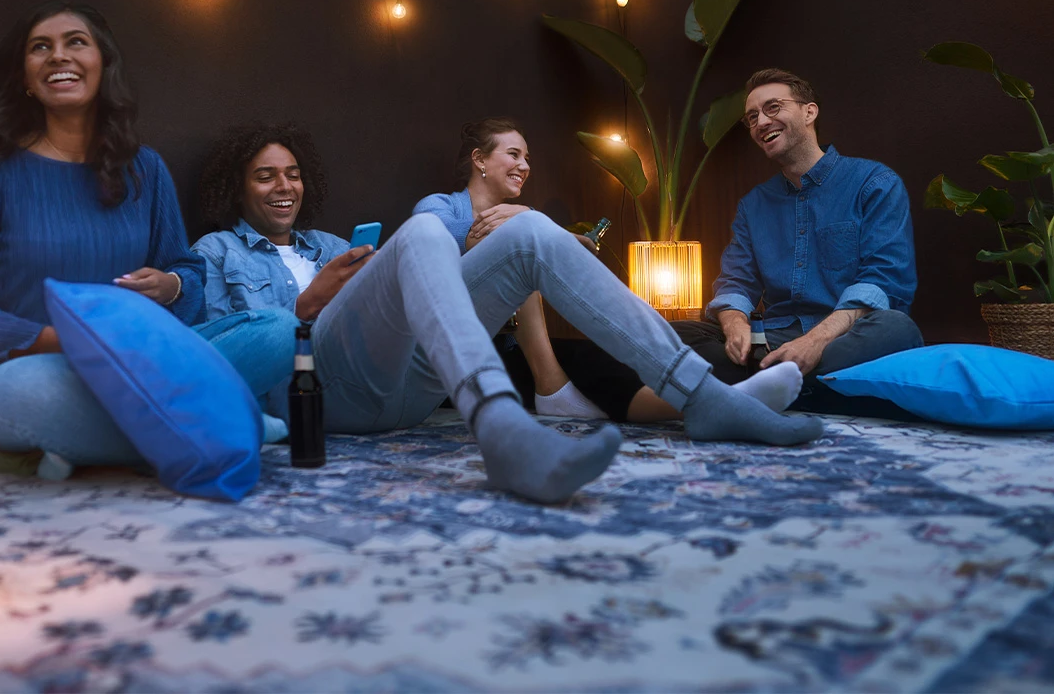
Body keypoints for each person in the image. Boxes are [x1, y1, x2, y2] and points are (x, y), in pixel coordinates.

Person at [193, 124, 823, 506]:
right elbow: (232, 356)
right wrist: (305, 306)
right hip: (318, 395)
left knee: (535, 235)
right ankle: (498, 426)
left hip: (408, 389)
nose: (284, 186)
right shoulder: (213, 252)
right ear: (238, 188)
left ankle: (701, 394)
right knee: (422, 232)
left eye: (293, 174)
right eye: (265, 176)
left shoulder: (329, 246)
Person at [0, 1, 295, 479]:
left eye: (76, 42)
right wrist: (68, 342)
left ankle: (98, 442)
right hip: (40, 370)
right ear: (23, 77)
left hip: (142, 359)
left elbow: (187, 272)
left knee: (278, 331)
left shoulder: (145, 169)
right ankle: (227, 426)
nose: (59, 56)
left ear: (103, 64)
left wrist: (171, 286)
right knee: (22, 393)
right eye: (41, 48)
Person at [413, 118, 749, 425]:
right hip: (454, 353)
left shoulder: (522, 218)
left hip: (511, 348)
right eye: (514, 154)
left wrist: (534, 223)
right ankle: (554, 389)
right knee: (522, 255)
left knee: (592, 359)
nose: (524, 166)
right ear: (480, 159)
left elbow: (559, 246)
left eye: (527, 158)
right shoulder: (437, 207)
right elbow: (440, 249)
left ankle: (713, 403)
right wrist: (526, 221)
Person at [674, 68, 923, 392]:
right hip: (775, 338)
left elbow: (886, 280)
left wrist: (816, 341)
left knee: (897, 329)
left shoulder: (874, 182)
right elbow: (737, 281)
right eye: (752, 117)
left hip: (847, 336)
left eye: (773, 107)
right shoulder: (754, 206)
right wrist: (735, 324)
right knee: (673, 333)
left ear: (809, 112)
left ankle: (752, 387)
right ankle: (797, 388)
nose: (761, 122)